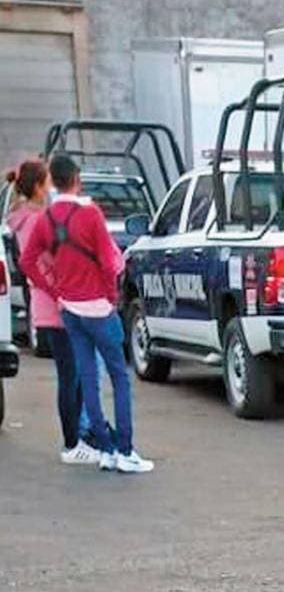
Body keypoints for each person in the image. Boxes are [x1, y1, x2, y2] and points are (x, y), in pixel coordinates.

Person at [20, 154, 154, 474]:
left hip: (69, 310)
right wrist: (111, 296)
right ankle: (125, 450)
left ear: (53, 180)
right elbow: (110, 263)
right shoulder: (91, 213)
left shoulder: (46, 218)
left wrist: (53, 289)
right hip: (97, 306)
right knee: (119, 378)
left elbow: (27, 261)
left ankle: (106, 451)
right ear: (77, 179)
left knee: (88, 380)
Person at [7, 160, 99, 463]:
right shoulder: (35, 221)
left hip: (55, 304)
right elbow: (41, 261)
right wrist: (60, 287)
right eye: (46, 181)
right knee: (71, 374)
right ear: (37, 187)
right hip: (58, 306)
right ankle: (73, 443)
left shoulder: (28, 217)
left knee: (74, 373)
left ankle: (77, 438)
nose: (50, 187)